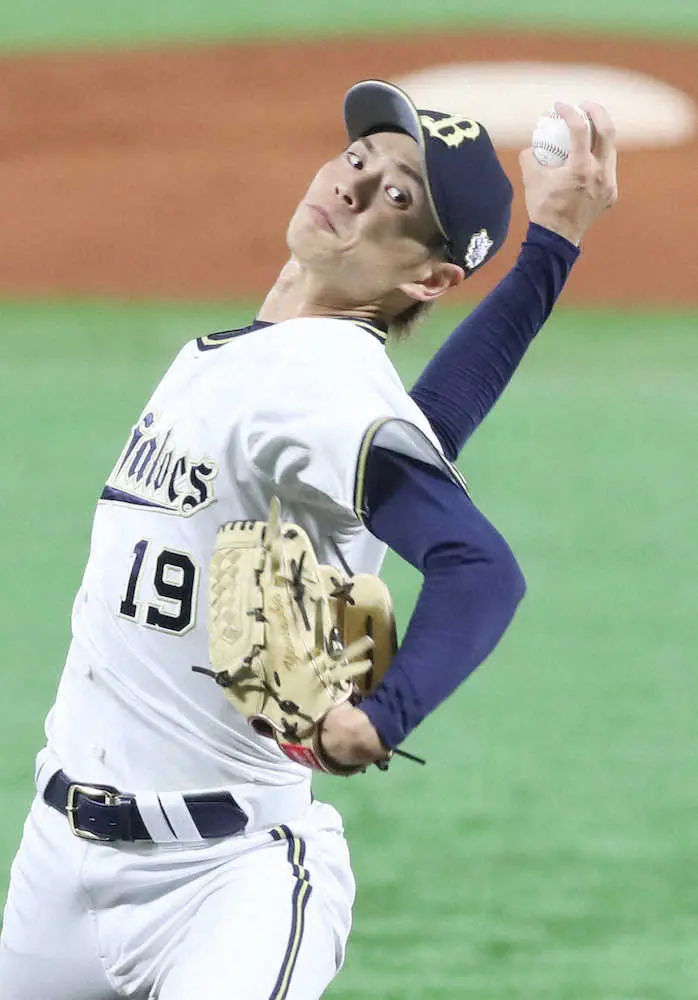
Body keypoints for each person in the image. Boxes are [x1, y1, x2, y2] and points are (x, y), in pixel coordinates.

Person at [0, 79, 617, 1000]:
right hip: (58, 868)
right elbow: (427, 429)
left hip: (223, 886)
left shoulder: (320, 375)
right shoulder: (273, 363)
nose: (355, 186)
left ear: (429, 279)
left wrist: (382, 714)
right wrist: (550, 250)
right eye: (361, 160)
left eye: (398, 198)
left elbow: (480, 568)